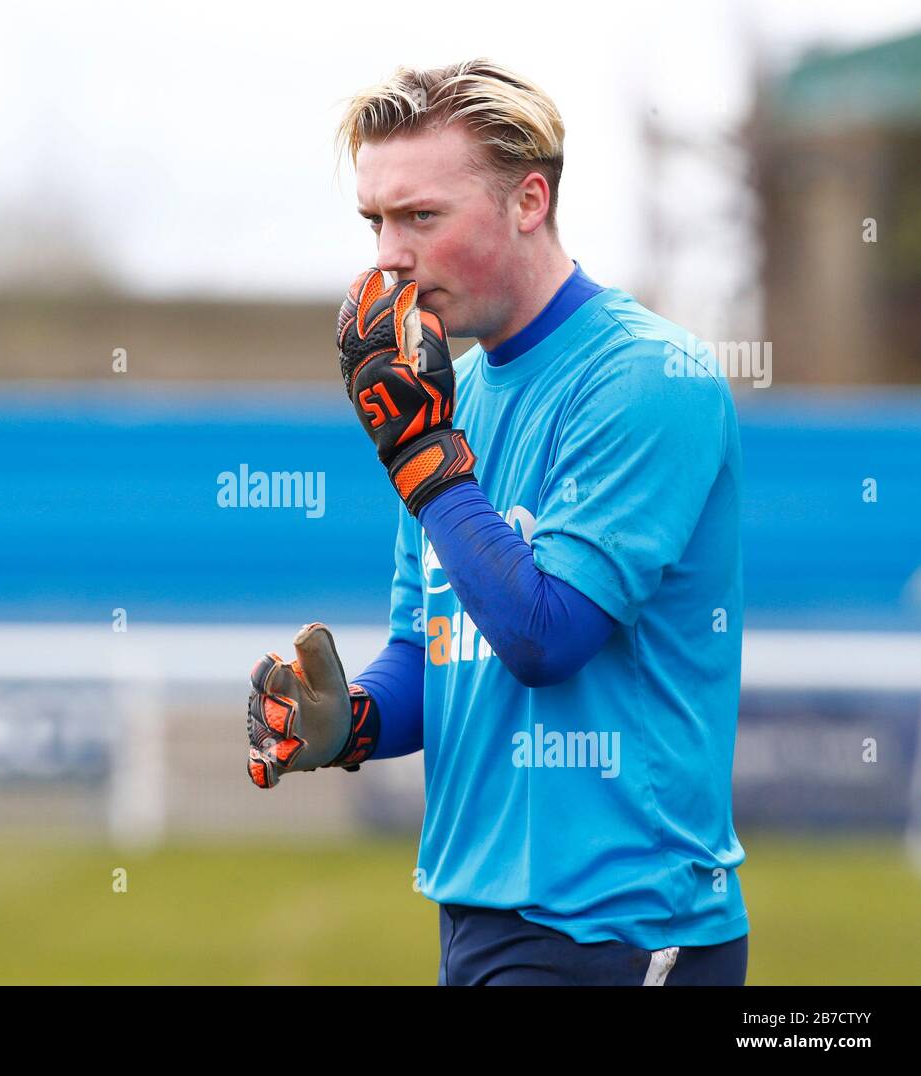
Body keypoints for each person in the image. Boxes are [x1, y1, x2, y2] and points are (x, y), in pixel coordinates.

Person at [245, 58, 749, 986]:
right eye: (375, 221)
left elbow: (546, 636)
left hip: (620, 926)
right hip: (478, 916)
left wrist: (425, 461)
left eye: (421, 216)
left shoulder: (646, 378)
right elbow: (429, 646)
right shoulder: (451, 395)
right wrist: (349, 723)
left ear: (528, 200)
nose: (388, 255)